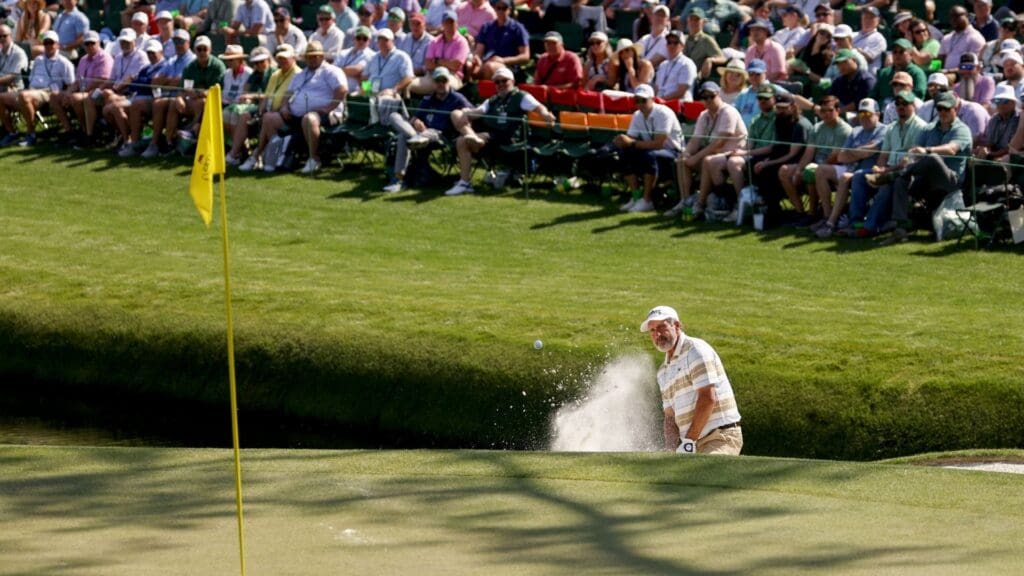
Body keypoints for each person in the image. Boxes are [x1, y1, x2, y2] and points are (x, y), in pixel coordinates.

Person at [640, 305, 742, 456]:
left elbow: (707, 398)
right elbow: (670, 417)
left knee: (705, 477)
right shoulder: (663, 371)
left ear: (677, 326)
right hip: (693, 444)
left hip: (719, 437)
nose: (658, 334)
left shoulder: (695, 350)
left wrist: (688, 442)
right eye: (653, 330)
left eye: (662, 327)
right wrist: (671, 452)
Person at [877, 91, 973, 245]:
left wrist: (928, 150)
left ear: (956, 109)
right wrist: (902, 163)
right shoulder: (928, 129)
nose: (942, 112)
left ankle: (895, 175)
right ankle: (900, 229)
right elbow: (914, 153)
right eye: (939, 109)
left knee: (932, 157)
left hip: (951, 181)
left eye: (946, 109)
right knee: (901, 180)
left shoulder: (962, 129)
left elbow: (951, 149)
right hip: (926, 180)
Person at [445, 66, 555, 196]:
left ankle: (465, 181)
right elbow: (477, 113)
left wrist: (545, 114)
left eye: (504, 81)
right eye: (497, 82)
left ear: (512, 81)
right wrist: (463, 113)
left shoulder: (521, 96)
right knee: (458, 128)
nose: (501, 84)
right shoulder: (492, 100)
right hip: (492, 136)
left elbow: (538, 107)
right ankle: (465, 182)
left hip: (511, 139)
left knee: (462, 141)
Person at [846, 90, 927, 237]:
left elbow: (911, 160)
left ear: (913, 106)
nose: (901, 107)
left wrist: (886, 172)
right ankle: (855, 222)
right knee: (858, 176)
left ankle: (869, 227)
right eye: (898, 104)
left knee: (888, 183)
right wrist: (879, 168)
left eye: (905, 104)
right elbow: (883, 155)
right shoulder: (891, 128)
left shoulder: (921, 127)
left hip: (909, 174)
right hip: (889, 169)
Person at [382, 66, 472, 192]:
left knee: (403, 136)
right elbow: (414, 119)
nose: (441, 84)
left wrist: (464, 112)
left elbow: (471, 111)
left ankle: (398, 180)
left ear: (448, 81)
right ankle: (413, 137)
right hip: (420, 133)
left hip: (440, 135)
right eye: (437, 81)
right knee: (393, 116)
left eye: (443, 80)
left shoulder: (457, 98)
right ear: (433, 83)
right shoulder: (428, 99)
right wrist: (417, 122)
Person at [669, 81, 746, 217]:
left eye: (711, 96)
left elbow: (720, 142)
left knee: (706, 160)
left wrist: (696, 157)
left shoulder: (729, 112)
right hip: (716, 154)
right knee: (682, 160)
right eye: (704, 97)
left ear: (719, 95)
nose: (708, 100)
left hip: (734, 154)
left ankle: (700, 203)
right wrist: (687, 153)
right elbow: (695, 140)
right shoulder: (704, 115)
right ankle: (685, 202)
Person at [812, 97, 886, 237]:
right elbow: (841, 157)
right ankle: (826, 216)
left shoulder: (883, 130)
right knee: (821, 169)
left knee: (846, 177)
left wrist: (856, 151)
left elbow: (869, 152)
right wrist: (862, 150)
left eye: (868, 114)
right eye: (861, 114)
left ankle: (831, 224)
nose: (863, 117)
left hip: (870, 171)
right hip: (850, 167)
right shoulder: (856, 130)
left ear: (878, 114)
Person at [778, 94, 852, 226]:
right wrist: (798, 170)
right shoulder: (817, 128)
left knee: (814, 172)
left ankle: (814, 214)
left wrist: (813, 169)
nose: (826, 114)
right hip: (816, 165)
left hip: (835, 168)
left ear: (838, 111)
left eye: (830, 110)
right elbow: (809, 153)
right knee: (785, 171)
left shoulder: (844, 130)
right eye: (823, 111)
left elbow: (834, 158)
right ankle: (800, 212)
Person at [279, 40, 347, 174]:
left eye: (316, 56)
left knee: (309, 119)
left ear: (322, 57)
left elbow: (342, 90)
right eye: (309, 56)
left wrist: (329, 108)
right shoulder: (301, 74)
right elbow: (287, 93)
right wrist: (284, 107)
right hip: (296, 113)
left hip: (327, 115)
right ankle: (278, 157)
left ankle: (314, 158)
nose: (312, 59)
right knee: (270, 118)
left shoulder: (332, 71)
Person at [614, 83, 684, 213]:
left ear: (652, 99)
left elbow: (659, 143)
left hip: (673, 152)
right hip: (651, 150)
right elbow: (630, 138)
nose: (640, 104)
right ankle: (636, 197)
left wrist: (631, 143)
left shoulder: (664, 113)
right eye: (637, 100)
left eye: (643, 100)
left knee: (648, 155)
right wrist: (622, 141)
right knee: (624, 152)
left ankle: (647, 200)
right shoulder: (637, 115)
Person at [239, 43, 299, 171]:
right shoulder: (275, 74)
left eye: (285, 58)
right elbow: (267, 98)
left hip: (289, 115)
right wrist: (261, 111)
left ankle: (257, 155)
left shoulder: (297, 74)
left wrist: (268, 112)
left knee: (268, 118)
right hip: (272, 114)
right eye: (280, 58)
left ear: (293, 58)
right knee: (262, 118)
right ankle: (267, 158)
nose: (282, 61)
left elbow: (291, 100)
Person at [52, 30, 112, 145]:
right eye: (87, 44)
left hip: (98, 92)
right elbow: (78, 81)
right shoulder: (83, 59)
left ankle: (86, 132)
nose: (89, 46)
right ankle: (70, 130)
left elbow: (101, 80)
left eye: (92, 43)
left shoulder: (104, 57)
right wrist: (68, 93)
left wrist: (80, 92)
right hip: (84, 91)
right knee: (55, 96)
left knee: (76, 98)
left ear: (98, 43)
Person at [14, 30, 74, 146]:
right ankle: (10, 132)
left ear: (57, 45)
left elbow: (71, 83)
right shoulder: (38, 60)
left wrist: (65, 95)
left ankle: (31, 133)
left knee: (24, 96)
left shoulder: (64, 62)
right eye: (45, 43)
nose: (48, 46)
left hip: (49, 92)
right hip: (33, 90)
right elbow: (31, 78)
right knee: (3, 97)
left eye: (51, 43)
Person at [115, 39, 167, 157]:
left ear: (161, 52)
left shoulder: (164, 65)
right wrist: (138, 82)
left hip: (154, 98)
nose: (151, 55)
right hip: (139, 97)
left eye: (153, 53)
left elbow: (151, 84)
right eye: (149, 53)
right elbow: (135, 86)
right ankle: (126, 140)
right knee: (112, 107)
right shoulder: (146, 68)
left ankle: (135, 143)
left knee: (135, 106)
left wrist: (137, 81)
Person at [471, 0, 530, 81]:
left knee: (490, 67)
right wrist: (477, 59)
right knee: (469, 66)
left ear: (509, 9)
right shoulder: (487, 27)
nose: (501, 11)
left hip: (508, 66)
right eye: (499, 8)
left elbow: (525, 56)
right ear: (495, 9)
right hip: (487, 62)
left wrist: (503, 60)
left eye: (504, 8)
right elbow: (479, 51)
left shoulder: (517, 28)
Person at [421, 11, 469, 91]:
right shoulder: (435, 41)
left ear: (457, 24)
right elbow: (428, 64)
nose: (449, 26)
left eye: (452, 23)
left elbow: (455, 65)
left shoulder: (462, 42)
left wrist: (437, 61)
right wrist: (446, 64)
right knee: (410, 86)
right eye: (447, 23)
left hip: (453, 76)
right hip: (432, 74)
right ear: (443, 24)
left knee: (442, 86)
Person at [0, 24, 29, 143]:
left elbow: (13, 76)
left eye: (4, 36)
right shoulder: (0, 52)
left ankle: (11, 132)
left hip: (15, 89)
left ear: (11, 36)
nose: (1, 38)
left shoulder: (19, 53)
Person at [653, 29, 696, 101]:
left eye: (675, 43)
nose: (671, 45)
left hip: (679, 105)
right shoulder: (663, 65)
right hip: (661, 103)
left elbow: (681, 92)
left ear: (682, 46)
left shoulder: (687, 63)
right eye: (669, 42)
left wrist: (661, 100)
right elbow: (657, 88)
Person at [682, 7, 724, 80]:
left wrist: (710, 60)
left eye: (697, 20)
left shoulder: (706, 40)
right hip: (680, 75)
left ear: (703, 22)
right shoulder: (682, 39)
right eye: (691, 19)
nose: (693, 22)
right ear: (687, 21)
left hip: (695, 78)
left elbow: (722, 58)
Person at [829, 48, 874, 115]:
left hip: (863, 115)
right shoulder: (839, 80)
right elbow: (831, 97)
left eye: (844, 62)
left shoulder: (866, 79)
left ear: (854, 60)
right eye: (838, 64)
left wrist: (838, 112)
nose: (841, 66)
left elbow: (860, 103)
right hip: (842, 113)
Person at [940, 6, 985, 72]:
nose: (954, 19)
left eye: (957, 16)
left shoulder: (975, 38)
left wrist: (949, 71)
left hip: (965, 75)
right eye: (951, 16)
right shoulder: (946, 38)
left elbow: (973, 65)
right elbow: (939, 59)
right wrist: (934, 70)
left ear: (967, 16)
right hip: (945, 74)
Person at [396, 12, 433, 91]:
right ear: (409, 25)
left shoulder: (431, 42)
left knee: (404, 85)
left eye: (418, 24)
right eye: (412, 24)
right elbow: (399, 59)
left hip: (420, 76)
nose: (415, 27)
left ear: (424, 25)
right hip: (403, 73)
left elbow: (428, 66)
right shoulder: (406, 38)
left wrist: (412, 71)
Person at [336, 25, 375, 94]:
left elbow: (356, 70)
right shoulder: (343, 53)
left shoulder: (372, 55)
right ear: (354, 39)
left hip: (360, 90)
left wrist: (340, 71)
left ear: (369, 41)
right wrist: (352, 74)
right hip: (339, 88)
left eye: (365, 39)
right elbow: (333, 70)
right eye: (358, 38)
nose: (361, 41)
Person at [851, 6, 886, 75]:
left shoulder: (879, 38)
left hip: (867, 76)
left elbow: (868, 58)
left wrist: (850, 48)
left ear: (878, 20)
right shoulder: (852, 35)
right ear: (861, 18)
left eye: (871, 17)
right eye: (865, 17)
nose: (867, 20)